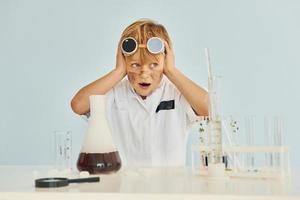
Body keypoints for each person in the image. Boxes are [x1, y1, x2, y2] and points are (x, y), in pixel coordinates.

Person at [71, 19, 209, 167]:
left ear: (166, 60)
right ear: (123, 62)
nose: (144, 74)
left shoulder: (176, 93)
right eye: (135, 65)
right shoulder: (114, 93)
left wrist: (172, 71)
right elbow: (78, 105)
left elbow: (209, 108)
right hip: (123, 185)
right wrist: (118, 72)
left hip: (169, 186)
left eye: (154, 65)